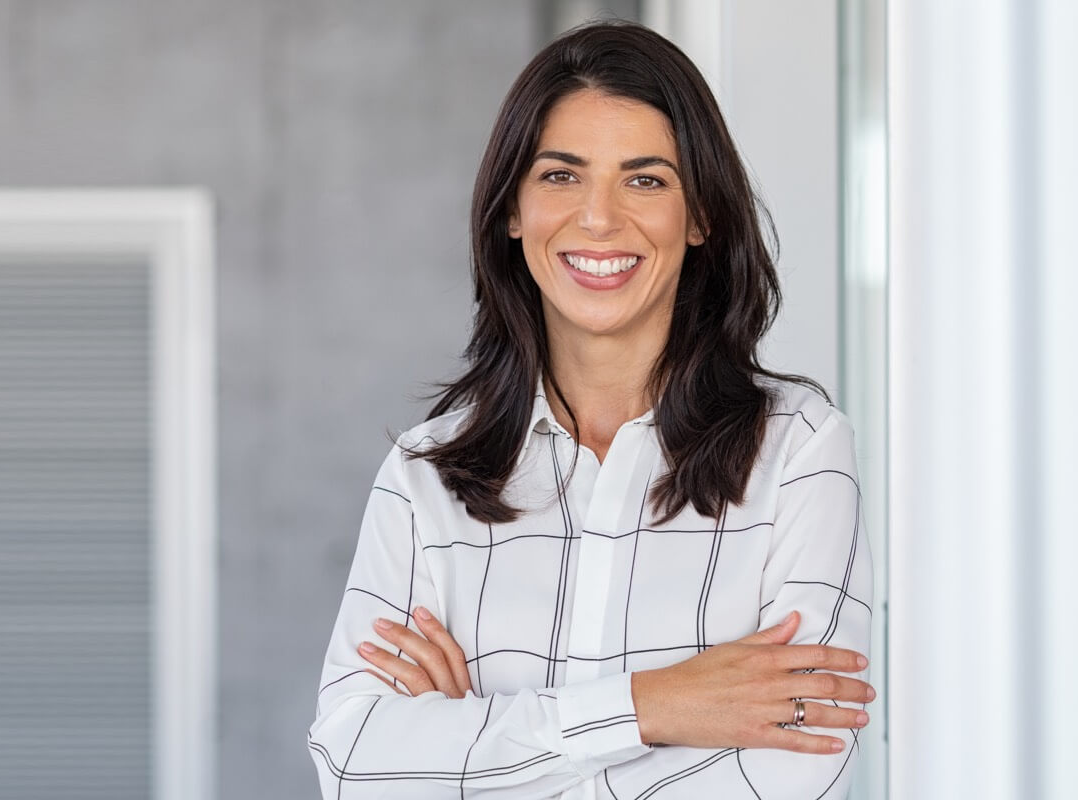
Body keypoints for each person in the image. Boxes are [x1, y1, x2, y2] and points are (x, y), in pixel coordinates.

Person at [308, 19, 874, 799]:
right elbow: (353, 764)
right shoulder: (425, 476)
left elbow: (801, 765)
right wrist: (654, 707)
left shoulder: (799, 452)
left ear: (700, 216)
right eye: (561, 176)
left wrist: (475, 739)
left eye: (645, 179)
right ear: (513, 210)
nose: (599, 218)